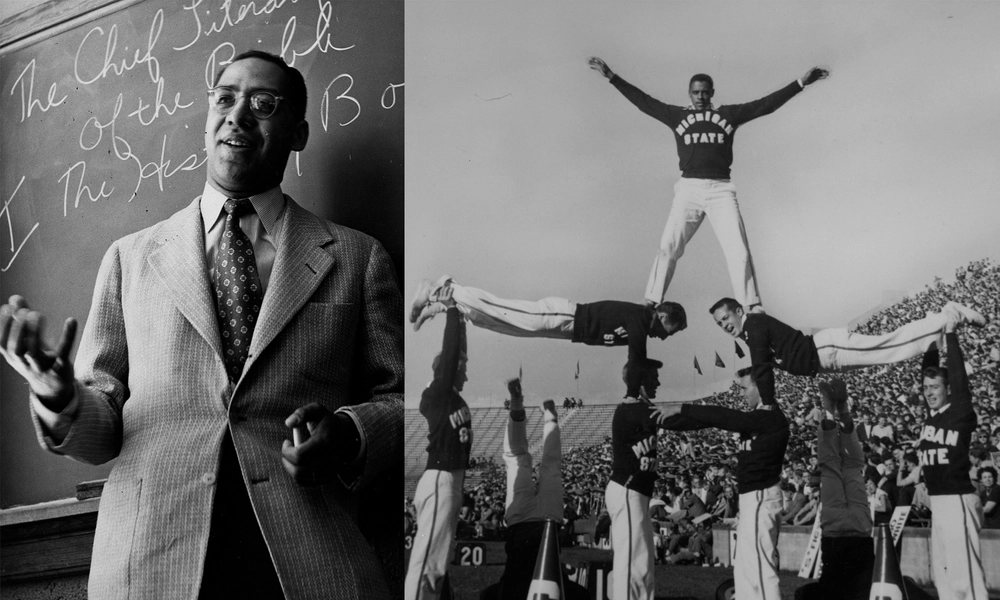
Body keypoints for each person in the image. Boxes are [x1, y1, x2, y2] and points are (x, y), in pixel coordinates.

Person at [0, 50, 403, 600]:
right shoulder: (130, 258)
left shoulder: (358, 258)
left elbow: (402, 402)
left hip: (307, 561)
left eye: (264, 103)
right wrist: (59, 397)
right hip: (151, 562)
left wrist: (351, 433)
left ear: (299, 133)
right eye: (225, 98)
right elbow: (102, 430)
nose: (238, 115)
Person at [587, 56, 828, 309]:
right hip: (689, 189)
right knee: (668, 245)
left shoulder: (728, 114)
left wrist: (801, 83)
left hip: (721, 190)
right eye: (695, 93)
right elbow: (644, 102)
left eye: (704, 93)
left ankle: (751, 306)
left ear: (712, 93)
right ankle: (651, 299)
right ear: (689, 94)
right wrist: (612, 77)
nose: (700, 97)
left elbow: (765, 105)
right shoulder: (676, 115)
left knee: (739, 251)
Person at [409, 277, 687, 397]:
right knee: (504, 309)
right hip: (565, 316)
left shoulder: (643, 322)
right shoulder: (642, 318)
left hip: (568, 330)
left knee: (503, 324)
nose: (664, 337)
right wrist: (630, 394)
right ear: (662, 317)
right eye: (667, 331)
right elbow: (637, 358)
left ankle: (444, 306)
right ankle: (439, 287)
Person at [653, 367, 789, 600]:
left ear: (761, 387)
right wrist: (662, 419)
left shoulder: (770, 417)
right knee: (746, 569)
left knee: (760, 567)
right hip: (751, 499)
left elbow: (726, 417)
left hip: (761, 497)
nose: (743, 394)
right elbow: (707, 422)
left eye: (746, 388)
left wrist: (681, 407)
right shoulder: (757, 416)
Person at [709, 297, 987, 407]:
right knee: (892, 349)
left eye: (726, 318)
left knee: (890, 348)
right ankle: (936, 322)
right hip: (826, 359)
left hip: (827, 350)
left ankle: (947, 316)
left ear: (738, 311)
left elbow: (761, 367)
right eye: (719, 324)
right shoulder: (750, 328)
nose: (724, 325)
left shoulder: (753, 324)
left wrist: (768, 403)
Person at [481, 379, 587, 600]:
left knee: (537, 462)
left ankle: (534, 411)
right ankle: (536, 411)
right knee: (526, 461)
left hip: (538, 520)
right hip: (537, 523)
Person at [406, 287, 472, 600]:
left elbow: (458, 354)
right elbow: (450, 355)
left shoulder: (450, 396)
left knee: (437, 566)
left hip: (450, 484)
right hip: (440, 481)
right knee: (426, 568)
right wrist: (451, 312)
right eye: (463, 370)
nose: (467, 376)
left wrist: (459, 318)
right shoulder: (438, 394)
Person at [916, 336, 989, 599]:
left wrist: (949, 336)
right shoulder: (932, 416)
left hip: (957, 498)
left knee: (965, 577)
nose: (929, 392)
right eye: (925, 387)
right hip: (939, 501)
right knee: (943, 577)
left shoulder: (959, 410)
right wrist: (932, 340)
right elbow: (927, 367)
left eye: (935, 386)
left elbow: (959, 377)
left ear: (948, 388)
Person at [796, 379, 874, 600]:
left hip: (851, 529)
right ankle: (835, 412)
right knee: (835, 466)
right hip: (849, 532)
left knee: (849, 466)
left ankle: (839, 411)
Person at [606, 358, 665, 600]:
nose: (658, 381)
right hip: (627, 490)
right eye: (653, 377)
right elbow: (676, 421)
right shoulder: (631, 408)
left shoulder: (642, 407)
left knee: (641, 561)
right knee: (632, 561)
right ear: (639, 381)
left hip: (636, 493)